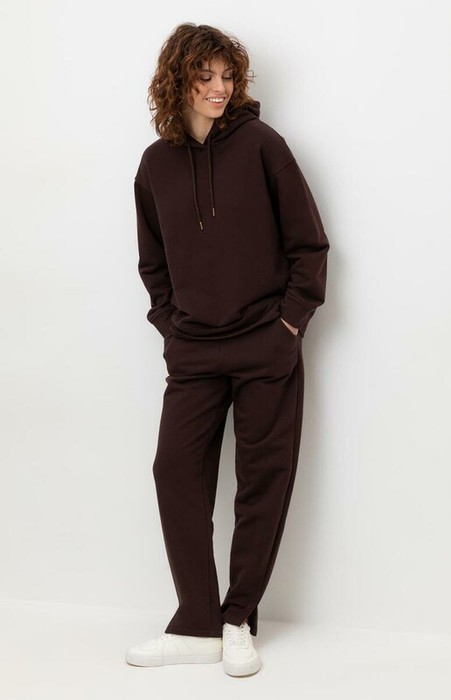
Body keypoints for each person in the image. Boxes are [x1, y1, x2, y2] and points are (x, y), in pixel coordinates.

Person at [125, 22, 330, 677]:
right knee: (174, 473)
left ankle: (236, 619)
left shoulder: (264, 146)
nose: (219, 88)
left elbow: (309, 245)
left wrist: (288, 326)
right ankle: (196, 622)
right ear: (177, 81)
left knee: (261, 484)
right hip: (193, 352)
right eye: (204, 76)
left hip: (266, 345)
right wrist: (171, 327)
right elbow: (153, 263)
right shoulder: (155, 165)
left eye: (227, 75)